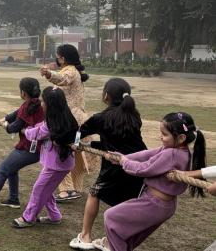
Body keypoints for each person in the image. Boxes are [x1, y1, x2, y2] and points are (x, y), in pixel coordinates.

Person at [93, 112, 206, 251]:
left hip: (154, 204)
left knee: (111, 217)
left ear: (181, 137)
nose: (161, 137)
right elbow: (148, 154)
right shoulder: (179, 150)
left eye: (164, 135)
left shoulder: (172, 154)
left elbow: (143, 169)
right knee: (131, 236)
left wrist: (124, 161)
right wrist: (123, 158)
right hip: (164, 205)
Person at [69, 78, 147, 250]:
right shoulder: (134, 116)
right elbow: (121, 142)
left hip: (113, 167)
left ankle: (85, 236)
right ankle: (113, 241)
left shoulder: (101, 118)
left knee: (94, 194)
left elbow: (79, 131)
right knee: (124, 203)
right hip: (136, 165)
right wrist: (94, 145)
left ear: (106, 95)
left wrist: (76, 143)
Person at [11, 86, 79, 228]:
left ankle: (28, 217)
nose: (41, 104)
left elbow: (36, 133)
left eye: (43, 101)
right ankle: (55, 216)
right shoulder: (61, 117)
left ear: (51, 105)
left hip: (57, 165)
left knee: (39, 189)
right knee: (46, 190)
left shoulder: (52, 124)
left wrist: (25, 130)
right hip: (56, 163)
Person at [40, 44, 98, 201]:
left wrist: (48, 73)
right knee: (77, 154)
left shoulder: (70, 71)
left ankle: (66, 190)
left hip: (69, 121)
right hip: (78, 121)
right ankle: (75, 188)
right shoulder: (74, 70)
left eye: (58, 56)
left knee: (62, 152)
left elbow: (63, 79)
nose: (57, 59)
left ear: (63, 58)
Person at [0, 77, 44, 211]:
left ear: (23, 93)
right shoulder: (37, 103)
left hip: (29, 149)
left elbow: (13, 127)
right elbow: (16, 114)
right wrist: (1, 119)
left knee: (3, 168)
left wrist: (4, 125)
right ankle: (13, 199)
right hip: (36, 148)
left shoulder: (29, 106)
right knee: (11, 169)